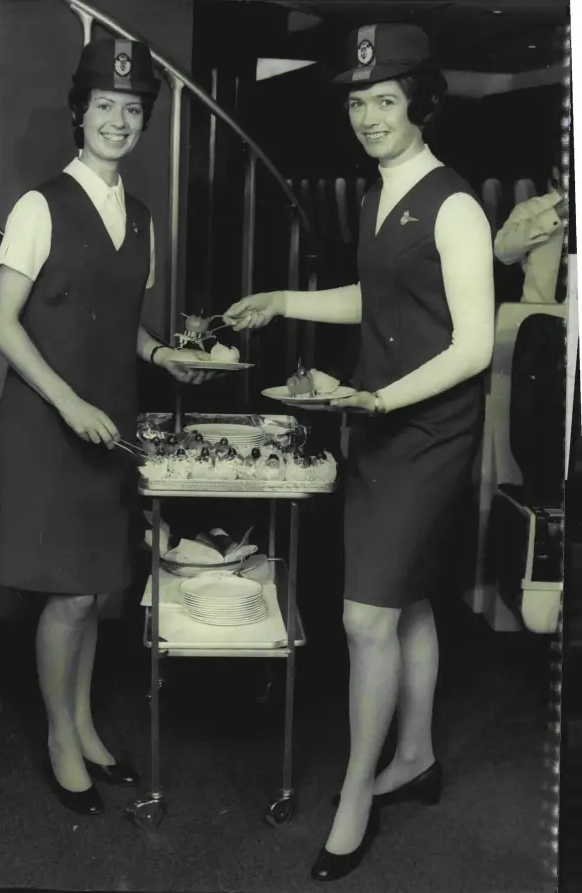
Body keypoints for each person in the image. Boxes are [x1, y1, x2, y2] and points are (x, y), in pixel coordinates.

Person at [224, 23, 495, 882]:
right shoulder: (383, 192)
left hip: (427, 429)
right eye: (357, 100)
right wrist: (282, 299)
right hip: (377, 421)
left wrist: (376, 396)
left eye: (385, 99)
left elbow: (475, 346)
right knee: (405, 599)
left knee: (363, 616)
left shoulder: (453, 203)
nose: (369, 114)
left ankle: (354, 793)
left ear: (421, 104)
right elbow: (372, 294)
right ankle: (414, 753)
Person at [0, 39, 210, 817]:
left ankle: (82, 722)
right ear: (80, 114)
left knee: (94, 594)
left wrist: (160, 354)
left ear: (143, 123)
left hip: (108, 426)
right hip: (49, 429)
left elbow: (124, 325)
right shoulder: (38, 206)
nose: (118, 120)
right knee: (70, 596)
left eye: (133, 109)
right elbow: (3, 324)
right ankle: (58, 734)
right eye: (105, 105)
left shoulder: (143, 221)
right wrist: (68, 401)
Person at [494, 164, 566, 303]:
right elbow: (501, 250)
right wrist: (554, 214)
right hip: (537, 317)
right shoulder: (531, 209)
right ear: (556, 172)